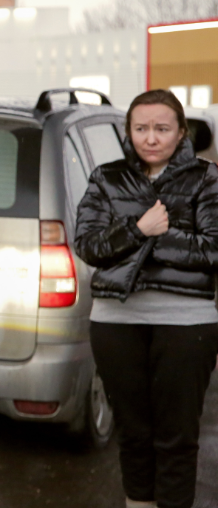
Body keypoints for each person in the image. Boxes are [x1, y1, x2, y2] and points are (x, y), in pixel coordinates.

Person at [75, 89, 218, 508]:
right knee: (133, 432)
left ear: (181, 132)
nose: (150, 138)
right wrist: (139, 229)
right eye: (141, 128)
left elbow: (213, 248)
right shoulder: (106, 177)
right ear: (128, 131)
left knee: (176, 436)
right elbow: (88, 245)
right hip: (115, 323)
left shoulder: (206, 178)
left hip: (187, 324)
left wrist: (160, 234)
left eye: (161, 128)